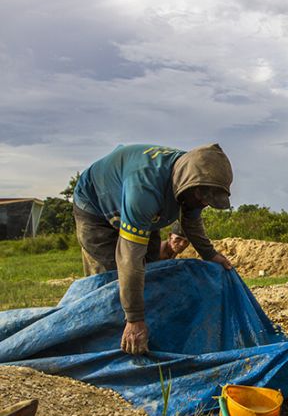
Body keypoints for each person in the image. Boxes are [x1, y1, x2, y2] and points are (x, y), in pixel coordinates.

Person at [73, 143, 234, 355]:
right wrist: (135, 318)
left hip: (143, 212)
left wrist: (210, 254)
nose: (203, 203)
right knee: (111, 282)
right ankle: (104, 349)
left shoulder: (193, 183)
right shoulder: (145, 189)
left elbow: (191, 222)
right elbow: (129, 259)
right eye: (202, 197)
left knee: (153, 274)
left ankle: (152, 338)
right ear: (187, 184)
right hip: (96, 209)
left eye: (208, 201)